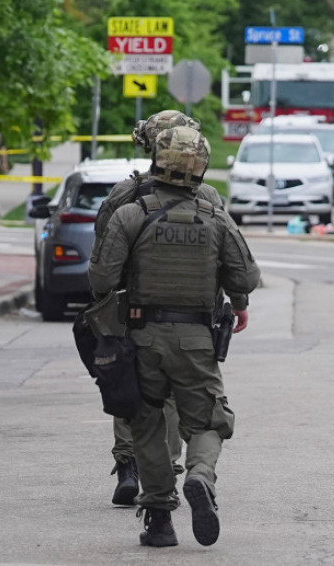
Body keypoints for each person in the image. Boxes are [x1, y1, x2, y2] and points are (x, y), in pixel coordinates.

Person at [89, 126, 261, 547]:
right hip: (197, 339)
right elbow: (247, 277)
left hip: (142, 337)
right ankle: (200, 477)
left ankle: (159, 520)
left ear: (157, 160)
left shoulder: (131, 214)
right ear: (201, 167)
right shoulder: (215, 216)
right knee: (208, 420)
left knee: (147, 424)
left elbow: (100, 279)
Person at [94, 110, 227, 506]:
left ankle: (131, 467)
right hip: (193, 318)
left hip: (129, 311)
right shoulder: (208, 198)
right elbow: (230, 259)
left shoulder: (124, 195)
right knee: (188, 401)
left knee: (129, 391)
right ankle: (170, 470)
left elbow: (102, 260)